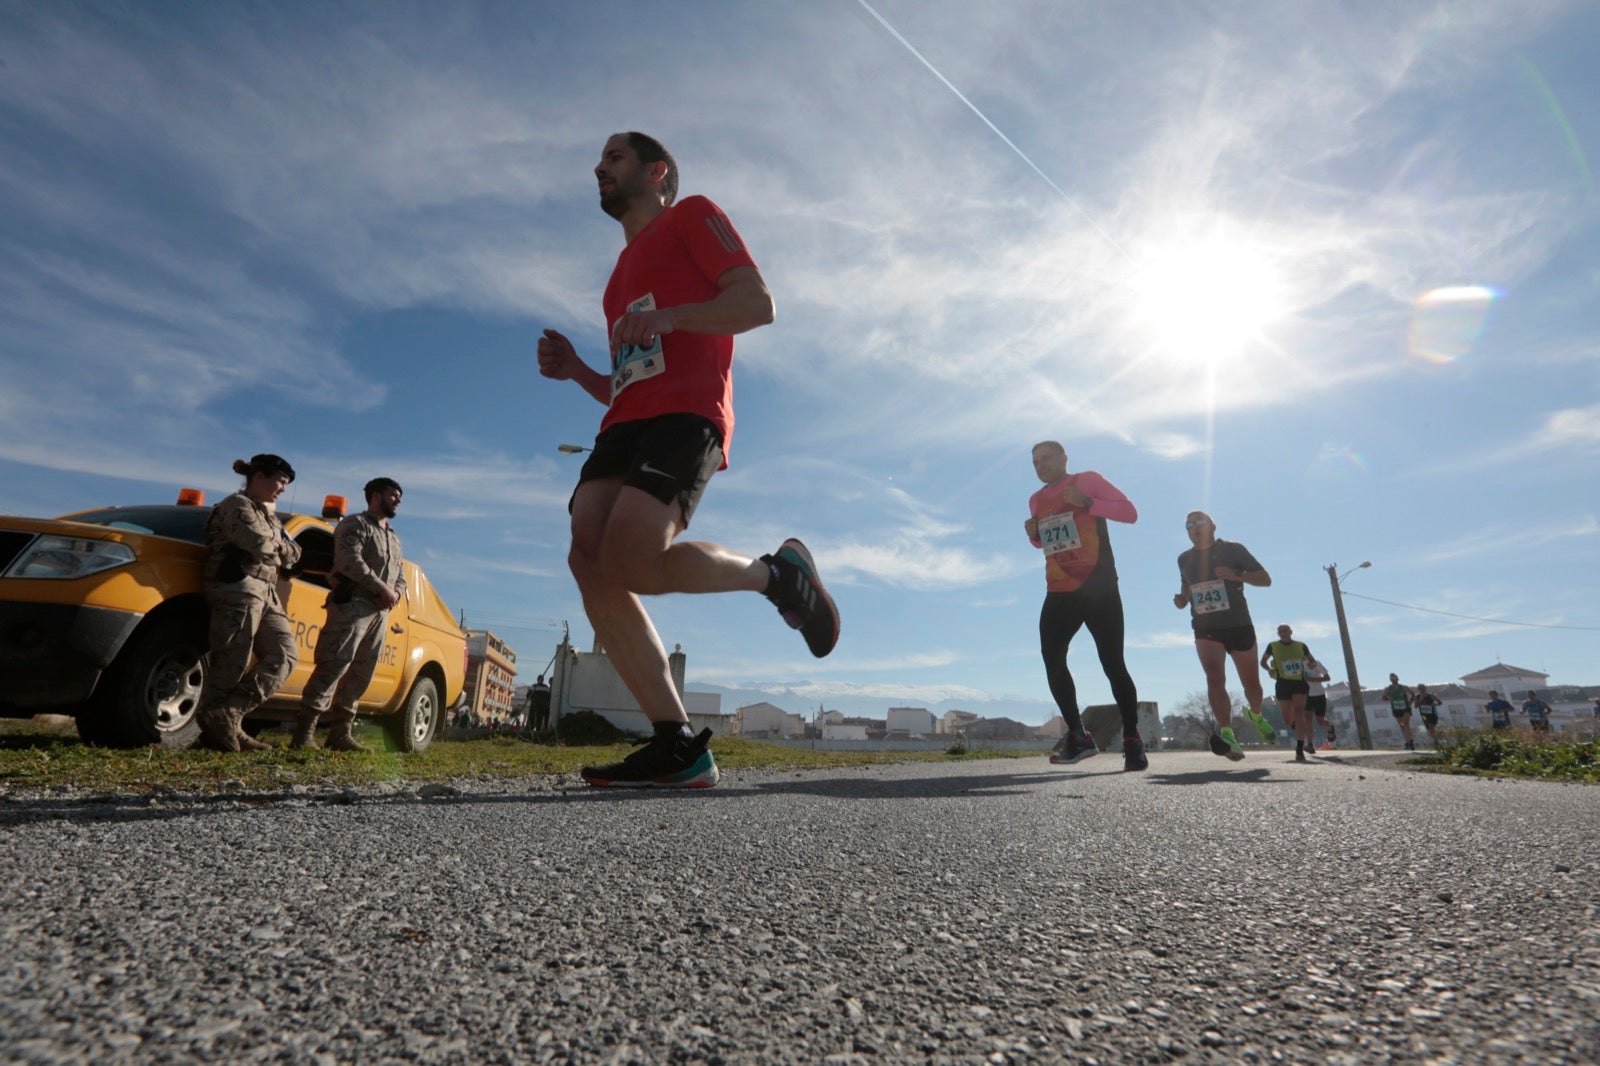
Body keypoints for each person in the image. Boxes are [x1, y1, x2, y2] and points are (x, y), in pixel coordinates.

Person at [536, 131, 839, 788]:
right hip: (625, 422)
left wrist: (671, 317)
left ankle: (781, 579)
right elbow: (628, 378)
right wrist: (578, 373)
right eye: (599, 160)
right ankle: (676, 742)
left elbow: (756, 304)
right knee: (587, 555)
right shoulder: (617, 278)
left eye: (614, 157)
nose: (599, 167)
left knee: (634, 554)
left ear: (657, 171)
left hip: (687, 413)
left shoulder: (694, 215)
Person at [1023, 440, 1145, 771]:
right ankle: (1079, 735)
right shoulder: (1036, 500)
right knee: (1052, 658)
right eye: (1035, 462)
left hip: (1099, 585)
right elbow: (1045, 541)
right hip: (1059, 590)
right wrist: (1033, 533)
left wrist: (1089, 502)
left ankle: (1132, 738)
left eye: (1047, 458)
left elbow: (1130, 513)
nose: (1041, 465)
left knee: (1112, 663)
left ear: (1064, 458)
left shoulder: (1086, 480)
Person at [196, 454, 302, 752]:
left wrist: (280, 548)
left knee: (285, 656)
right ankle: (216, 728)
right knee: (232, 659)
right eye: (280, 481)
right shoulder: (235, 506)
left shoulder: (268, 515)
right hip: (237, 585)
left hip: (266, 590)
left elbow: (295, 553)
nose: (282, 489)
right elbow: (258, 544)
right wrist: (281, 549)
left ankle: (229, 715)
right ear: (259, 476)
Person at [293, 478, 406, 752]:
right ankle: (303, 734)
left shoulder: (392, 536)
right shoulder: (355, 525)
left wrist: (395, 594)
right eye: (394, 495)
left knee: (361, 673)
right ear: (376, 496)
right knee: (333, 665)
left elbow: (400, 576)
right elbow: (348, 561)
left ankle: (340, 734)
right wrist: (381, 588)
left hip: (379, 613)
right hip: (352, 606)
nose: (398, 500)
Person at [1173, 512, 1275, 761]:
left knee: (1251, 684)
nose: (1194, 527)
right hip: (1206, 626)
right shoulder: (1184, 559)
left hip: (1238, 624)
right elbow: (1186, 587)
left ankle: (1256, 714)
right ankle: (1228, 735)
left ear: (1213, 526)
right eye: (1189, 525)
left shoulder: (1233, 549)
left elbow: (1265, 579)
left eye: (1199, 522)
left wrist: (1236, 576)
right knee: (1215, 677)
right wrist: (1182, 600)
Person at [1261, 624, 1317, 762]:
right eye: (1280, 631)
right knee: (1287, 720)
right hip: (1283, 683)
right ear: (1278, 633)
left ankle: (1299, 748)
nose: (1283, 633)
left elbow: (1312, 661)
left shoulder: (1301, 645)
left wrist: (1312, 664)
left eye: (1286, 631)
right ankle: (1296, 725)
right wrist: (1269, 669)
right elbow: (1262, 662)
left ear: (1291, 632)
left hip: (1299, 682)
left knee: (1299, 712)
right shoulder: (1272, 645)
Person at [1303, 654, 1336, 749]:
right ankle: (1310, 744)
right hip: (1306, 695)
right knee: (1307, 719)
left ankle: (1330, 727)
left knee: (1320, 721)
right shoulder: (1297, 666)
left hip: (1319, 695)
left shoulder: (1315, 663)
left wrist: (1311, 680)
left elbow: (1327, 678)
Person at [1382, 673, 1417, 751]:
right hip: (1396, 709)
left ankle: (1411, 743)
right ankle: (1407, 742)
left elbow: (1413, 694)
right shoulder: (1388, 689)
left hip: (1405, 708)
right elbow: (1383, 698)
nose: (1393, 680)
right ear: (1390, 680)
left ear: (1398, 679)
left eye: (1394, 678)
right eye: (1392, 679)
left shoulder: (1404, 687)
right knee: (1402, 726)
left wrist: (1411, 701)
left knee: (1406, 724)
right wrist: (1390, 699)